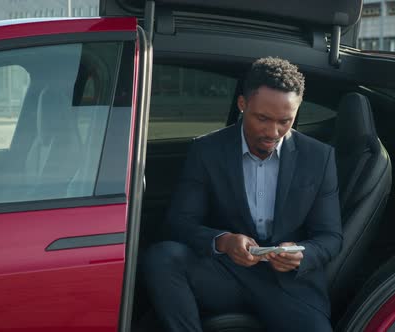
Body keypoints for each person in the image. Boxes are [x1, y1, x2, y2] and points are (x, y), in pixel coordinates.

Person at [143, 57, 342, 332]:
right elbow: (179, 223)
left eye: (285, 121)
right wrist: (223, 242)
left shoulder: (319, 157)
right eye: (262, 118)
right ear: (242, 105)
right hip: (225, 274)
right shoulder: (207, 151)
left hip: (289, 286)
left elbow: (330, 237)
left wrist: (302, 255)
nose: (273, 132)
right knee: (162, 257)